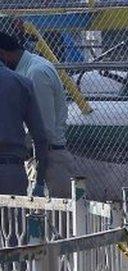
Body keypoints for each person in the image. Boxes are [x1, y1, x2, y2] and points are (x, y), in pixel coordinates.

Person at [0, 32, 75, 198]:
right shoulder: (27, 72)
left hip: (49, 162)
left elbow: (44, 130)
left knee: (53, 221)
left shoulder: (36, 73)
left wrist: (39, 180)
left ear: (3, 54)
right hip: (35, 158)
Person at [0, 61, 48, 197]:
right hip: (11, 169)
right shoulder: (21, 83)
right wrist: (39, 181)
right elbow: (40, 136)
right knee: (11, 217)